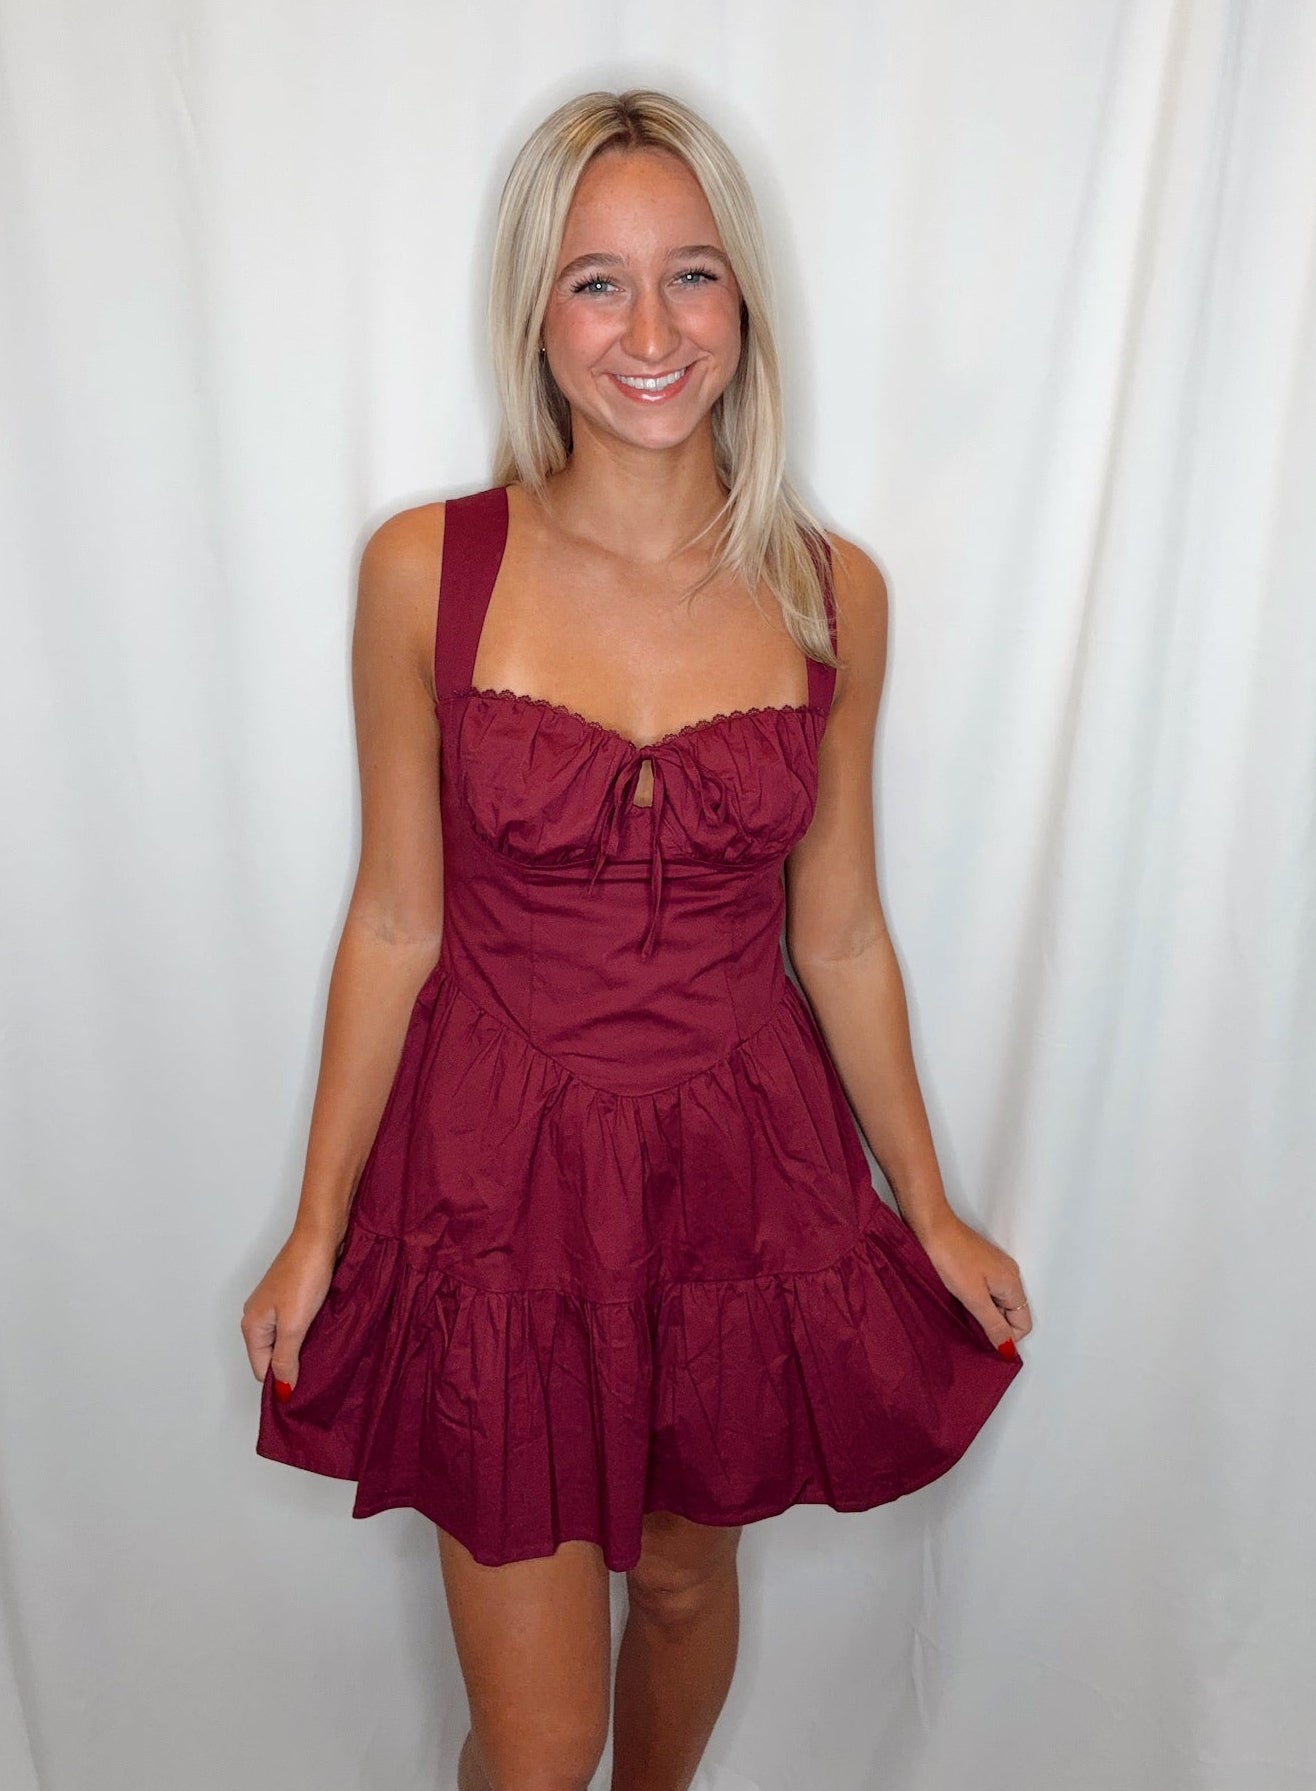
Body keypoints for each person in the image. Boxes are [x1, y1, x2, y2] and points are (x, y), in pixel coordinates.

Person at [241, 87, 1031, 1791]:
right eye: (598, 283)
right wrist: (316, 1230)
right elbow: (392, 919)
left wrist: (931, 1201)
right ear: (536, 314)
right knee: (537, 1751)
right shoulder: (424, 572)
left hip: (740, 1175)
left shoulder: (836, 593)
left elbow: (841, 936)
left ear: (746, 304)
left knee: (682, 1585)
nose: (652, 330)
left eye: (692, 276)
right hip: (496, 1181)